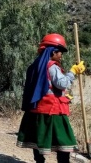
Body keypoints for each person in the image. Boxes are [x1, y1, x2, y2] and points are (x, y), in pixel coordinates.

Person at [16, 33, 86, 163]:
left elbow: (46, 87)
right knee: (63, 140)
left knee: (38, 137)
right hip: (52, 110)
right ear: (52, 52)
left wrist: (63, 95)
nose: (61, 55)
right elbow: (61, 83)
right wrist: (73, 72)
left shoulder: (34, 66)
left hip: (36, 109)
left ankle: (39, 161)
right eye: (60, 52)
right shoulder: (52, 66)